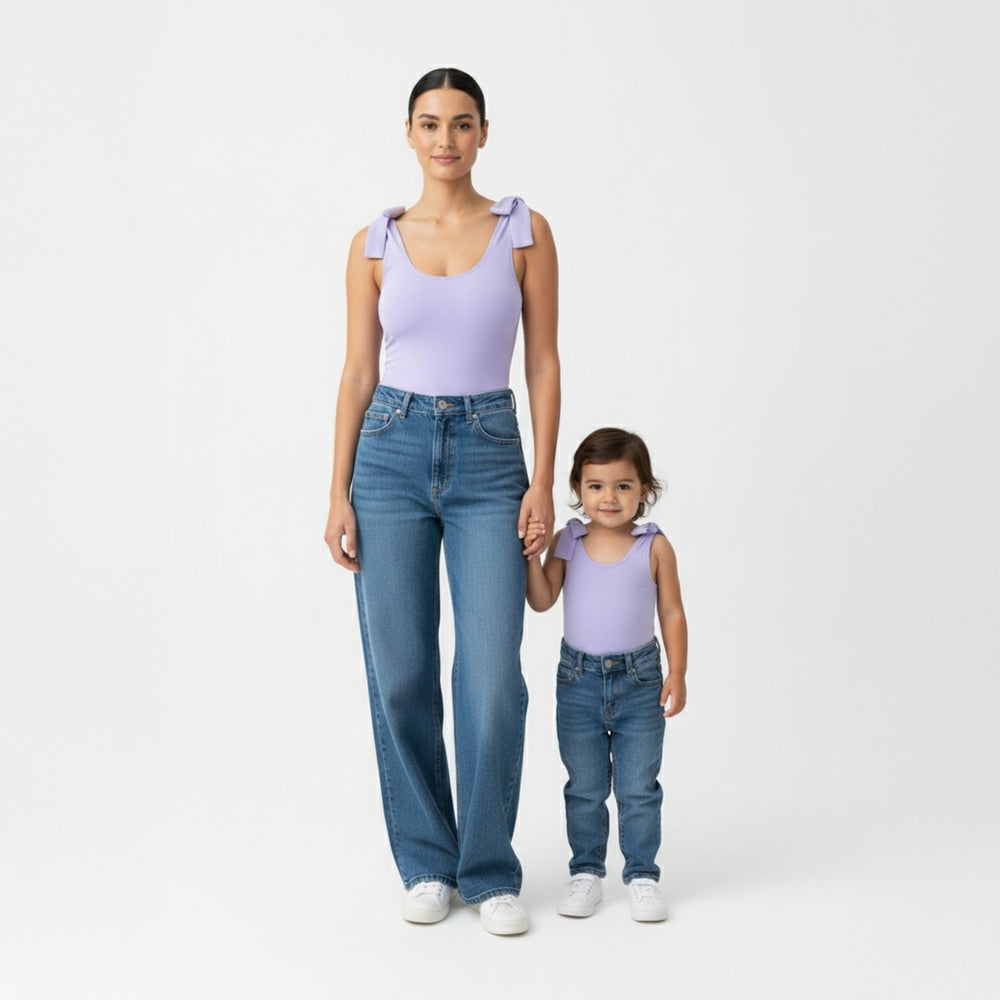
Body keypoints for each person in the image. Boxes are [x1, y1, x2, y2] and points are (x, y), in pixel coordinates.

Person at [324, 67, 559, 936]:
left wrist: (540, 477)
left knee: (492, 674)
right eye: (430, 124)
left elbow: (541, 363)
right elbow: (356, 371)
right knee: (402, 674)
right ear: (410, 134)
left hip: (493, 455)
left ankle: (489, 869)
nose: (446, 140)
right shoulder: (374, 242)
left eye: (462, 124)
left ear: (484, 134)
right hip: (387, 455)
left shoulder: (524, 234)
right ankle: (428, 860)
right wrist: (337, 489)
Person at [524, 428, 687, 921]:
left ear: (644, 490)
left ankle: (641, 875)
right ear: (577, 488)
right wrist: (532, 559)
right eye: (595, 486)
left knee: (639, 786)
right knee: (585, 786)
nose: (609, 497)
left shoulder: (653, 546)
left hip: (640, 681)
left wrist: (676, 672)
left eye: (622, 486)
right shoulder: (569, 540)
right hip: (578, 682)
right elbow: (542, 599)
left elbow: (673, 613)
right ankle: (586, 873)